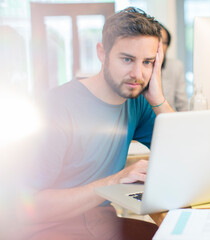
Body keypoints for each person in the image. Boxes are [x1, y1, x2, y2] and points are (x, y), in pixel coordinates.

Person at [17, 7, 174, 240]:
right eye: (127, 59)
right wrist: (114, 181)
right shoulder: (57, 107)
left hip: (100, 221)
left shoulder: (137, 102)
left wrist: (158, 98)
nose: (138, 74)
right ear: (102, 53)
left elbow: (183, 153)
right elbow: (29, 208)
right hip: (49, 229)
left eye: (147, 62)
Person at [160, 24, 188, 111]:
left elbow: (183, 106)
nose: (160, 47)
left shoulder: (176, 66)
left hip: (168, 119)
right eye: (158, 42)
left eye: (164, 43)